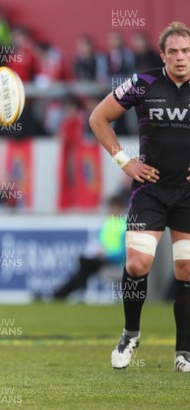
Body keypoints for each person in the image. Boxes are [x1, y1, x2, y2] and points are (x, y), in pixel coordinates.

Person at [89, 21, 190, 372]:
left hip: (188, 194)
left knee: (187, 268)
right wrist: (124, 161)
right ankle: (131, 333)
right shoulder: (143, 82)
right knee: (136, 264)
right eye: (174, 51)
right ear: (162, 55)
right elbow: (98, 118)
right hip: (150, 189)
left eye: (187, 51)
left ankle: (184, 351)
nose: (181, 57)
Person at [52, 194, 127, 299]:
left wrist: (107, 254)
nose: (111, 211)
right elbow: (99, 243)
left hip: (113, 261)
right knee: (83, 265)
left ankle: (60, 294)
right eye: (110, 208)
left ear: (120, 208)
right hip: (102, 259)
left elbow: (124, 253)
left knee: (83, 267)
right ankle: (59, 294)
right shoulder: (108, 223)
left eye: (114, 208)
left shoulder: (124, 224)